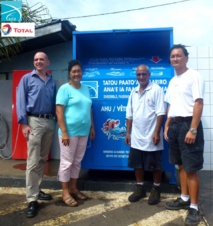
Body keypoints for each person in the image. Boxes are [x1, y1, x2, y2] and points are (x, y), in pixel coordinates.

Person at [164, 44, 205, 226]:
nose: (175, 59)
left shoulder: (194, 76)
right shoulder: (173, 80)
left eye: (179, 56)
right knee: (180, 165)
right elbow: (171, 105)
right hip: (174, 125)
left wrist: (193, 129)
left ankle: (194, 207)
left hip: (189, 124)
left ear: (186, 58)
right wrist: (167, 125)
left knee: (191, 169)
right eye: (172, 56)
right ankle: (184, 198)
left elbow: (198, 103)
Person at [16, 52, 56, 218]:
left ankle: (37, 190)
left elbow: (54, 103)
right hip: (33, 122)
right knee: (32, 161)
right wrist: (24, 123)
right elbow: (20, 101)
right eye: (36, 59)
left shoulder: (52, 81)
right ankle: (32, 199)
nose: (39, 62)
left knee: (41, 159)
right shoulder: (26, 79)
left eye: (42, 59)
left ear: (47, 62)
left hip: (49, 122)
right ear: (34, 62)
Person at [56, 60, 95, 207]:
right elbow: (59, 111)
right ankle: (65, 191)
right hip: (69, 133)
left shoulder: (85, 88)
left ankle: (73, 187)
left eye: (79, 71)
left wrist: (92, 127)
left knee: (77, 162)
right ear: (69, 73)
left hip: (83, 132)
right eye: (74, 71)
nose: (77, 73)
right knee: (67, 162)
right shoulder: (64, 89)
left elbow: (89, 109)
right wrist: (64, 132)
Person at [125, 64, 165, 205]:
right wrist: (128, 133)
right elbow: (129, 115)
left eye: (144, 74)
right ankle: (140, 188)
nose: (141, 77)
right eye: (138, 74)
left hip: (151, 136)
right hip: (136, 136)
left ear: (149, 74)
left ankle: (156, 189)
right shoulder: (133, 91)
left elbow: (160, 112)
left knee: (155, 165)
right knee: (138, 164)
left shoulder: (156, 89)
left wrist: (156, 132)